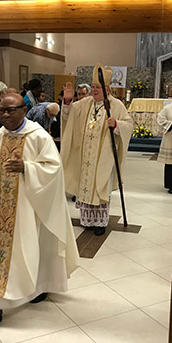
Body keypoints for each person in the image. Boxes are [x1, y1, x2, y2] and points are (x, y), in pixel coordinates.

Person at [0, 93, 79, 329]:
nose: (6, 115)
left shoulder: (39, 136)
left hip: (31, 204)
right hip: (1, 210)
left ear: (24, 110)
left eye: (11, 110)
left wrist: (26, 168)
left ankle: (39, 286)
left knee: (37, 246)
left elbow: (54, 169)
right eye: (2, 111)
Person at [61, 65, 132, 236]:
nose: (94, 90)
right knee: (85, 186)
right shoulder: (84, 104)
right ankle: (87, 220)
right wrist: (68, 102)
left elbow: (129, 124)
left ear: (107, 89)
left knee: (100, 187)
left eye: (97, 87)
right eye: (93, 87)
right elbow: (68, 117)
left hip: (104, 155)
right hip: (85, 155)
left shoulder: (116, 105)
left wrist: (116, 124)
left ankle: (100, 223)